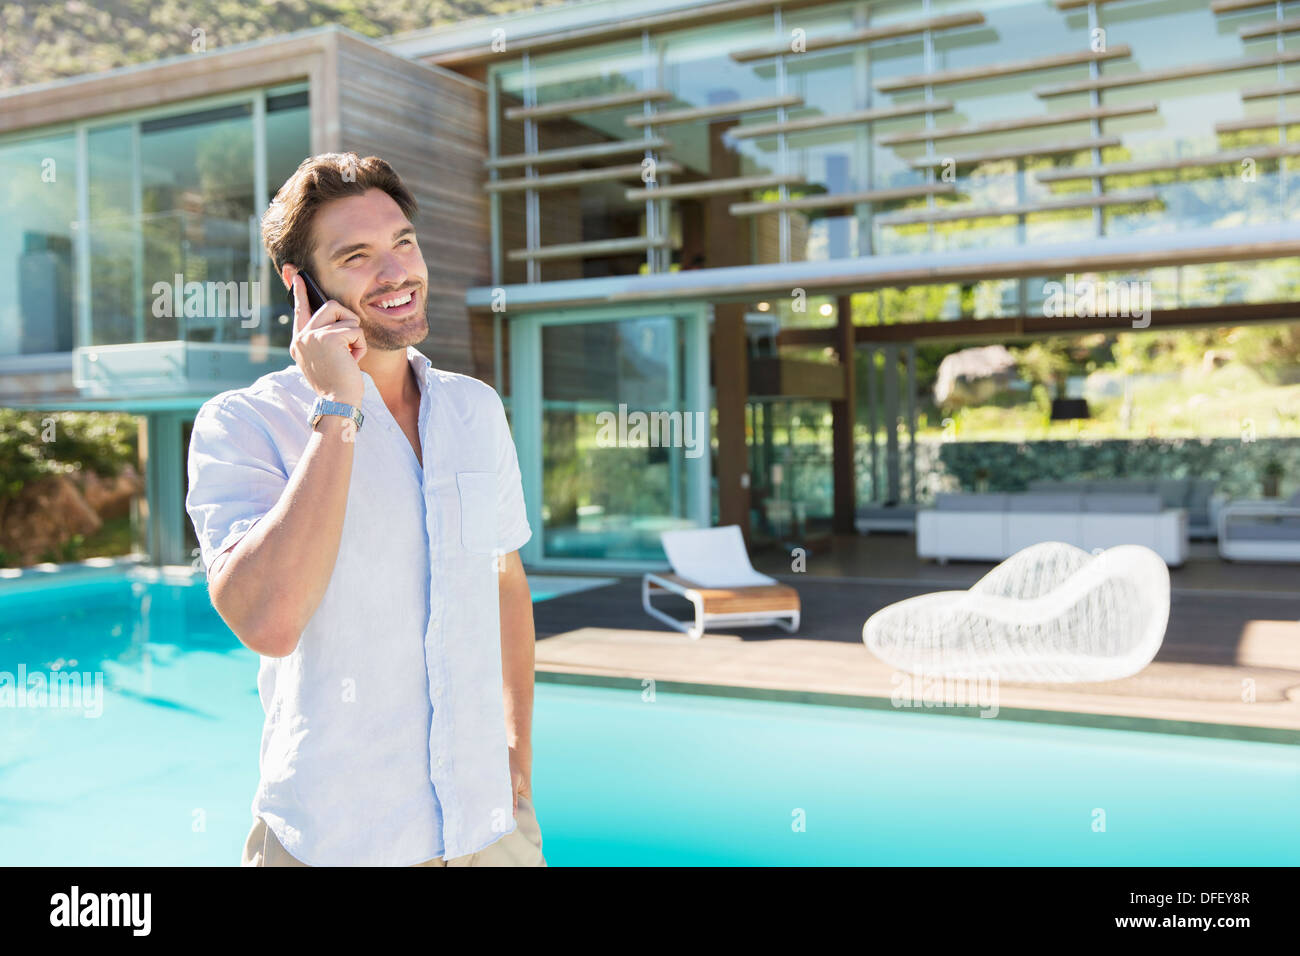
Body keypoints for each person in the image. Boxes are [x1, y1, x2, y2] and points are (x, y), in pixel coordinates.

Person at [185, 152, 545, 866]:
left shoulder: (476, 409)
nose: (397, 273)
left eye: (402, 242)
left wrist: (515, 747)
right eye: (357, 256)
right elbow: (270, 620)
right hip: (337, 841)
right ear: (301, 285)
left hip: (491, 831)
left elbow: (504, 578)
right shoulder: (243, 424)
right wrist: (337, 407)